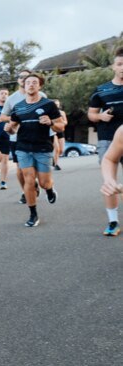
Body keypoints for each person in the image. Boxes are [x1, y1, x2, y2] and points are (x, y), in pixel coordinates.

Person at [5, 73, 65, 227]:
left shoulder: (48, 105)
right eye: (28, 82)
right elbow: (12, 129)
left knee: (44, 182)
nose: (31, 85)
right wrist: (9, 128)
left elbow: (61, 126)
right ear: (24, 86)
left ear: (40, 86)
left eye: (34, 82)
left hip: (43, 147)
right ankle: (33, 214)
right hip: (23, 147)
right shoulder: (18, 107)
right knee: (29, 180)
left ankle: (50, 190)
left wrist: (50, 122)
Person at [88, 47, 123, 236]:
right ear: (113, 67)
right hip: (108, 139)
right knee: (109, 181)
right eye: (119, 64)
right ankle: (113, 222)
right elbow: (91, 114)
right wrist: (100, 116)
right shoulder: (101, 90)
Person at [0, 69, 47, 204]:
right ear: (19, 81)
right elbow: (3, 116)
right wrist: (15, 119)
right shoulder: (12, 98)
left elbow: (49, 112)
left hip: (38, 136)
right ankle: (25, 191)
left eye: (26, 77)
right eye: (21, 77)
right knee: (20, 170)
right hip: (17, 138)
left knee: (35, 168)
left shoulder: (41, 95)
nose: (23, 79)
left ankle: (34, 184)